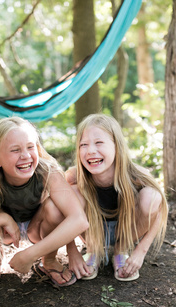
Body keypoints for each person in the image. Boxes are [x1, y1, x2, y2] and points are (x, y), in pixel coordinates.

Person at [0, 117, 89, 287]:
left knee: (55, 208)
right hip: (1, 233)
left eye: (30, 147)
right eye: (15, 150)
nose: (25, 156)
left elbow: (78, 219)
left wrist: (33, 254)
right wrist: (2, 219)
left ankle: (48, 259)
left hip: (38, 227)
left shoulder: (47, 171)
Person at [66, 114, 168, 281]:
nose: (91, 150)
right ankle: (93, 250)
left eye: (99, 143)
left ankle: (121, 250)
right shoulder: (74, 176)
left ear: (117, 146)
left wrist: (140, 252)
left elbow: (161, 207)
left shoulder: (136, 175)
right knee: (70, 193)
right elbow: (62, 213)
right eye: (83, 144)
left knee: (152, 196)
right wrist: (72, 252)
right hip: (91, 231)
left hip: (127, 231)